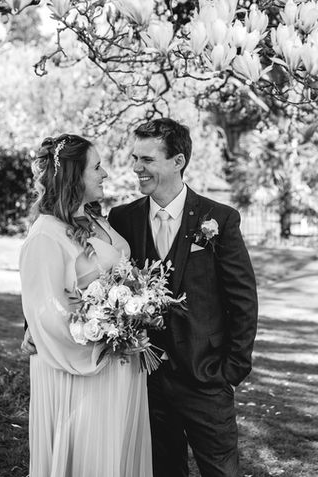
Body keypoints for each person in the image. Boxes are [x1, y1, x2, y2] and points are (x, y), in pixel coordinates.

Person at [108, 118, 258, 477]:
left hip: (206, 379)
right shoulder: (122, 218)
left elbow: (242, 300)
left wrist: (230, 371)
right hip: (146, 381)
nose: (136, 168)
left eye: (147, 160)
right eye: (135, 158)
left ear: (178, 162)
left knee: (221, 472)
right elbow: (85, 268)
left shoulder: (219, 219)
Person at [19, 134, 152, 477]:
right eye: (96, 167)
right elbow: (46, 310)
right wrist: (107, 335)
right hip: (82, 370)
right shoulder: (46, 233)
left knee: (116, 456)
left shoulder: (94, 220)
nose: (105, 173)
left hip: (118, 365)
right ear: (74, 176)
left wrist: (133, 314)